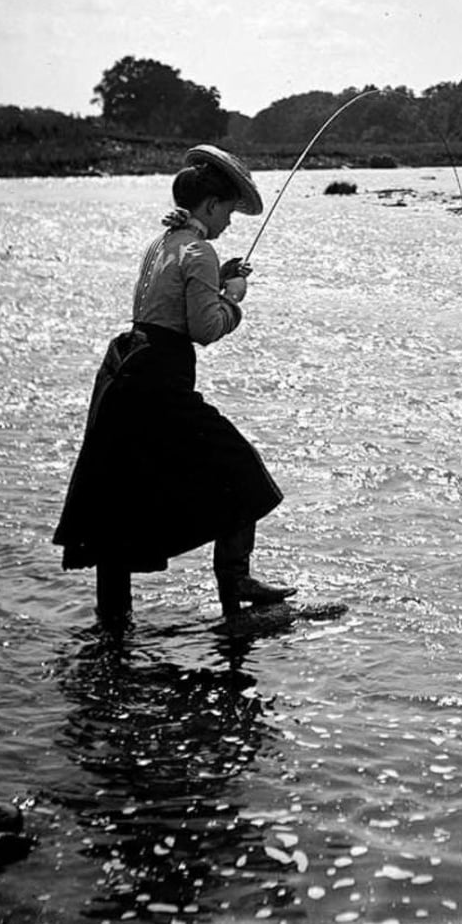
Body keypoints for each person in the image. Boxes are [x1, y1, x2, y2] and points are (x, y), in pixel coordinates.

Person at [53, 145, 296, 624]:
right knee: (240, 468)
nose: (230, 221)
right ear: (209, 206)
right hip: (160, 382)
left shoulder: (163, 242)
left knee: (116, 497)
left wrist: (215, 280)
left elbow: (173, 297)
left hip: (125, 375)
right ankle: (236, 579)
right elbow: (205, 329)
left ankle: (113, 618)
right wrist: (233, 297)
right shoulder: (200, 250)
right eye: (227, 210)